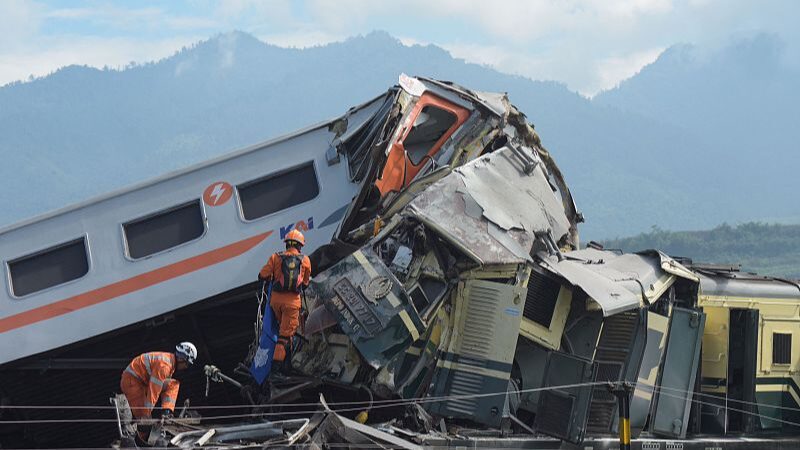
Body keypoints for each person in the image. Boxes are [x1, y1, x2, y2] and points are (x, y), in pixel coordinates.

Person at [257, 229, 311, 367]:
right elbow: (305, 283)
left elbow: (262, 275)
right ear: (300, 246)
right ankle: (278, 368)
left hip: (276, 302)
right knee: (285, 336)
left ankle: (287, 360)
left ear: (287, 244)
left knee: (283, 330)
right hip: (292, 303)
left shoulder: (275, 257)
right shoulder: (305, 260)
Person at [120, 342, 196, 434]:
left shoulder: (169, 362)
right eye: (187, 364)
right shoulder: (164, 367)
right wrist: (147, 415)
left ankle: (167, 413)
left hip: (141, 381)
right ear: (181, 358)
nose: (185, 367)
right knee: (144, 422)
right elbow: (154, 391)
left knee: (173, 384)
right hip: (132, 382)